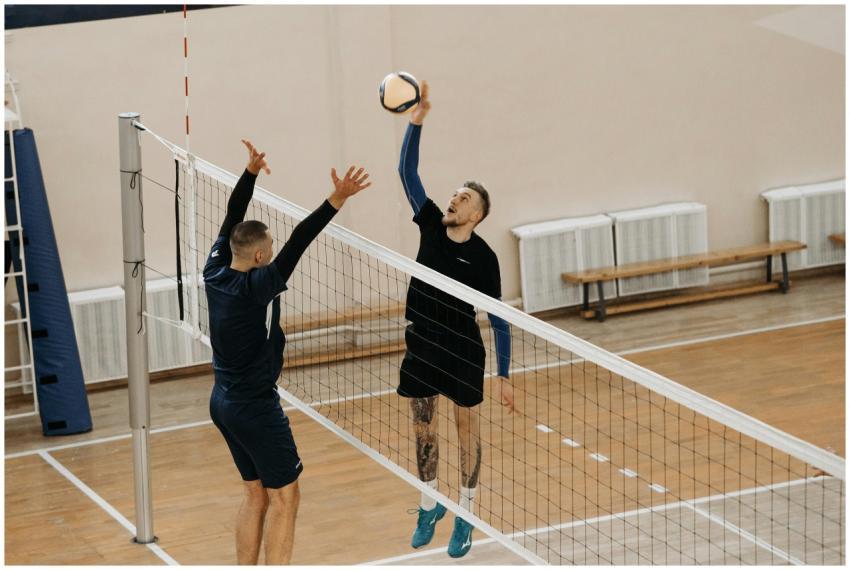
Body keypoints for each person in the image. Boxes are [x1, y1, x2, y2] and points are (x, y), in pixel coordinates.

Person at [204, 140, 371, 565]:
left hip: (222, 400)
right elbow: (301, 239)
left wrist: (250, 174)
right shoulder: (257, 286)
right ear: (260, 255)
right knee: (286, 498)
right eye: (270, 250)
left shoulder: (215, 269)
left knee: (255, 495)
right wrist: (337, 198)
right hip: (255, 407)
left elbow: (233, 217)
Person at [396, 81, 515, 559]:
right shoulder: (430, 223)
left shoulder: (485, 259)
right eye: (454, 194)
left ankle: (466, 514)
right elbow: (406, 172)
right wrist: (416, 121)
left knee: (467, 430)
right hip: (422, 342)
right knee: (423, 428)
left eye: (464, 198)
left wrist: (504, 375)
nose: (454, 199)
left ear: (478, 214)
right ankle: (430, 506)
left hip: (464, 348)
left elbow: (499, 319)